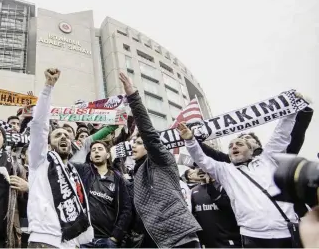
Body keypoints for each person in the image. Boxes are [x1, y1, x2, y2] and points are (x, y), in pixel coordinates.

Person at [177, 110, 301, 248]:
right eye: (230, 146)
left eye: (239, 144)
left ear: (251, 150)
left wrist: (291, 111)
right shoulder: (225, 171)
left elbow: (281, 135)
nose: (234, 146)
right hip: (252, 237)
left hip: (286, 233)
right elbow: (201, 159)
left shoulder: (268, 160)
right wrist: (190, 140)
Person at [118, 72, 202, 248]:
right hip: (152, 241)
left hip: (178, 238)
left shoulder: (162, 160)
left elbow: (148, 132)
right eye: (134, 142)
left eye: (139, 143)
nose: (133, 146)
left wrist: (133, 97)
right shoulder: (136, 174)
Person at [27, 68, 94, 248]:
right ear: (48, 144)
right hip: (45, 239)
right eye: (57, 135)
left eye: (66, 134)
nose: (63, 136)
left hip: (72, 242)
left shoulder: (73, 171)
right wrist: (48, 87)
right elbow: (39, 125)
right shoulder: (39, 160)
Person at [80, 141, 132, 248]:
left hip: (107, 240)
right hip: (85, 240)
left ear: (108, 155)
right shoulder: (84, 173)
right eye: (93, 150)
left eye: (100, 149)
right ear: (90, 157)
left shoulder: (118, 179)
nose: (96, 152)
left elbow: (126, 209)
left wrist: (115, 237)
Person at [189, 168, 241, 248]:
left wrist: (210, 184)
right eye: (196, 167)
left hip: (229, 242)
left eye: (202, 166)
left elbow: (227, 207)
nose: (200, 169)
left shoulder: (225, 187)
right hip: (207, 243)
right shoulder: (193, 192)